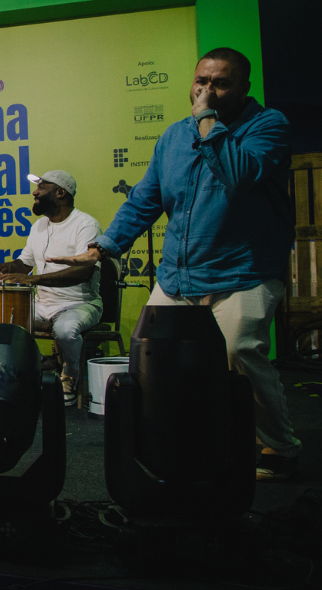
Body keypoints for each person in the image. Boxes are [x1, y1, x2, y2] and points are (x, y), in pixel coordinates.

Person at [51, 47, 301, 481]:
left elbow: (239, 176)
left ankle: (279, 445)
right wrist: (103, 247)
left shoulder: (268, 127)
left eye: (220, 82)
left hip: (243, 271)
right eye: (201, 81)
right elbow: (145, 199)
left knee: (239, 352)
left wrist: (208, 122)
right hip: (179, 275)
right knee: (153, 357)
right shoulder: (172, 138)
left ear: (244, 88)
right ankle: (173, 439)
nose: (207, 89)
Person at [0, 170, 103, 407]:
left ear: (60, 193)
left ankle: (69, 377)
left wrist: (35, 279)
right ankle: (29, 372)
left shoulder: (86, 225)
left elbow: (83, 272)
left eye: (41, 187)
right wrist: (7, 266)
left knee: (65, 330)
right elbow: (25, 263)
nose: (35, 192)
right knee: (3, 322)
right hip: (43, 304)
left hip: (80, 303)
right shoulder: (39, 226)